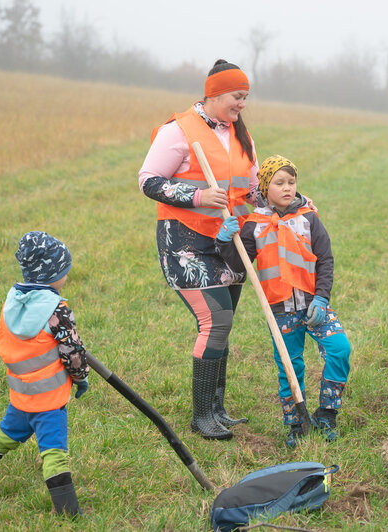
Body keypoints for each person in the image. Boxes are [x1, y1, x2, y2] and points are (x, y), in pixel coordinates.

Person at [138, 59, 258, 440]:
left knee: (223, 325)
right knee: (216, 320)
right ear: (215, 94)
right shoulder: (178, 130)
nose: (242, 104)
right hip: (186, 242)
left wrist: (289, 202)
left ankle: (218, 409)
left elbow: (252, 189)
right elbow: (148, 181)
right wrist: (198, 196)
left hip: (229, 242)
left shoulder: (241, 135)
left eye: (245, 97)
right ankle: (201, 416)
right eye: (237, 96)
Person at [217, 155, 351, 448]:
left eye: (291, 181)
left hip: (314, 305)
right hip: (279, 311)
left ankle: (327, 413)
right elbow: (241, 266)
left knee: (340, 349)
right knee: (290, 366)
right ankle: (296, 424)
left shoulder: (309, 218)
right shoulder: (254, 225)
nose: (288, 187)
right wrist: (225, 242)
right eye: (279, 183)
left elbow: (325, 260)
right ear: (265, 189)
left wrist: (321, 298)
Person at [0, 231, 90, 517]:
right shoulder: (57, 310)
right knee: (54, 455)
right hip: (49, 403)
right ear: (53, 275)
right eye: (64, 270)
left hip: (20, 397)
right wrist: (81, 377)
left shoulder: (13, 302)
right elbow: (73, 353)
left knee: (1, 437)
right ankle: (70, 516)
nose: (66, 276)